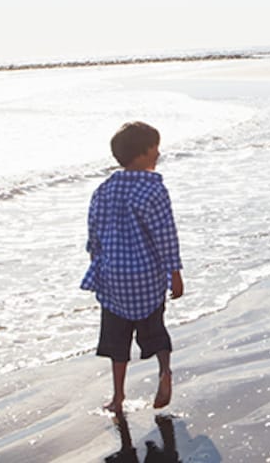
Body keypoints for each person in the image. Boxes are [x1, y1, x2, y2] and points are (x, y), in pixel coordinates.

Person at [82, 121, 185, 412]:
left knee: (117, 340)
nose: (159, 152)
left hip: (114, 276)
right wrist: (174, 273)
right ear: (142, 154)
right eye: (155, 147)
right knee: (155, 330)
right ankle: (164, 370)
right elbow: (165, 234)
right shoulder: (153, 189)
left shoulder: (104, 190)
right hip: (146, 276)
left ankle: (117, 397)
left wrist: (97, 264)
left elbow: (94, 234)